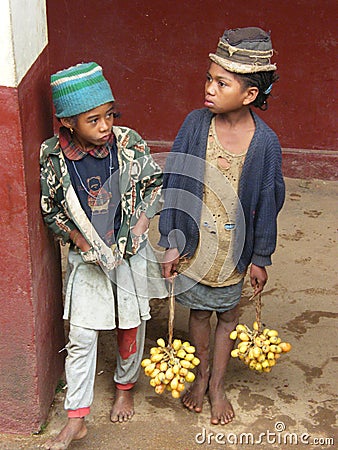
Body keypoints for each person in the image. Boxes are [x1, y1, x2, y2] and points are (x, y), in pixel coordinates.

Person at [159, 27, 285, 425]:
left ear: (249, 95)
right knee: (198, 314)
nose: (209, 88)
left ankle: (217, 385)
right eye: (208, 78)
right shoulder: (195, 126)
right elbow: (175, 184)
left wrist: (261, 256)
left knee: (227, 317)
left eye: (221, 82)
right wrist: (171, 241)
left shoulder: (265, 144)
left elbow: (268, 204)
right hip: (197, 249)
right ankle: (200, 377)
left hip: (234, 253)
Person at [40, 62, 166, 449]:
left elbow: (155, 186)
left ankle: (125, 386)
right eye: (93, 119)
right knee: (81, 334)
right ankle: (77, 418)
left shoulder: (129, 144)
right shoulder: (53, 158)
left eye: (110, 114)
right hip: (89, 258)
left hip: (130, 255)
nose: (105, 126)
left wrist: (142, 223)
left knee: (130, 324)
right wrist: (79, 241)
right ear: (67, 122)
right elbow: (51, 210)